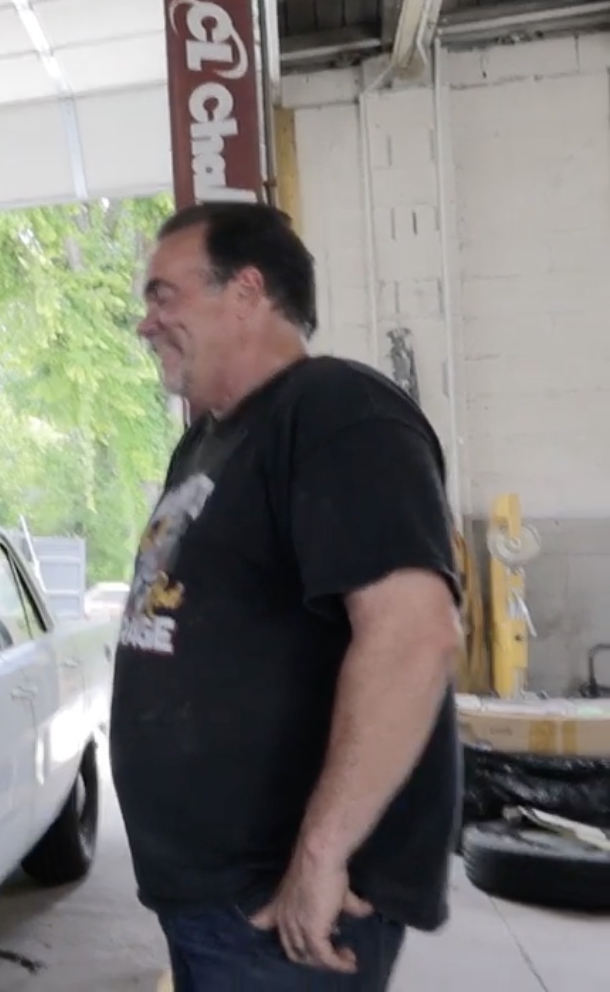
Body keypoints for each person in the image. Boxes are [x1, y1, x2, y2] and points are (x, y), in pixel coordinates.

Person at [111, 202, 464, 991]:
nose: (146, 324)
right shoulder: (207, 441)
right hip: (211, 899)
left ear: (246, 292)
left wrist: (319, 857)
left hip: (278, 908)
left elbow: (413, 636)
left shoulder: (337, 411)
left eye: (164, 296)